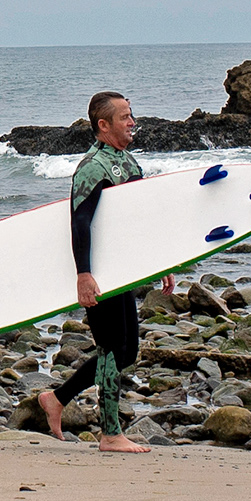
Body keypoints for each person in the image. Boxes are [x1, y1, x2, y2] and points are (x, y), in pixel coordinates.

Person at [31, 91, 159, 452]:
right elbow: (80, 223)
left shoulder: (130, 164)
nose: (132, 122)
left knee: (127, 350)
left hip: (122, 271)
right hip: (99, 272)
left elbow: (135, 222)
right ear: (103, 125)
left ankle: (56, 399)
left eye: (131, 115)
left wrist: (163, 262)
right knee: (110, 349)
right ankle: (110, 433)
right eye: (124, 117)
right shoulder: (92, 168)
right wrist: (83, 274)